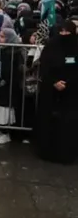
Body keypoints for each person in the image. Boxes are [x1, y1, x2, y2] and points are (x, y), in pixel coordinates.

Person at [34, 20, 78, 164]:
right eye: (62, 31)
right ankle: (46, 151)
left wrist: (68, 83)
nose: (64, 34)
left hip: (71, 93)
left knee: (67, 124)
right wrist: (54, 82)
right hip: (50, 90)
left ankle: (66, 154)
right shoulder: (51, 46)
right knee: (49, 121)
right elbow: (45, 66)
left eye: (67, 31)